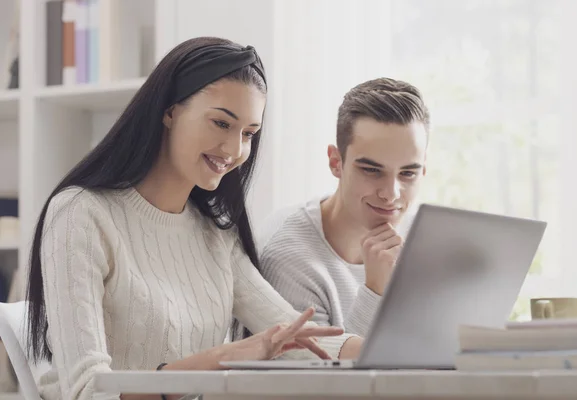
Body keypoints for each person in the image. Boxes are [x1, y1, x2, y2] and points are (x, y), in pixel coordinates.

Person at [24, 37, 363, 400]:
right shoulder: (81, 214)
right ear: (169, 111)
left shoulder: (215, 235)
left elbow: (296, 336)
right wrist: (223, 358)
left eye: (248, 134)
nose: (234, 151)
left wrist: (404, 353)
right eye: (220, 123)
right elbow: (89, 392)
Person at [258, 78, 430, 338]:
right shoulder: (288, 258)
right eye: (372, 170)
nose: (390, 195)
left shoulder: (423, 240)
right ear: (336, 162)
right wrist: (375, 290)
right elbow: (325, 377)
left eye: (407, 174)